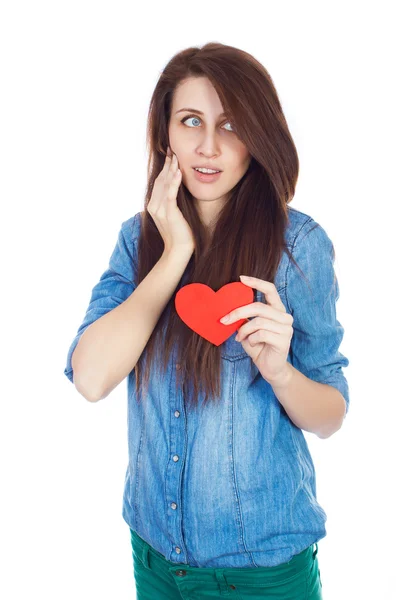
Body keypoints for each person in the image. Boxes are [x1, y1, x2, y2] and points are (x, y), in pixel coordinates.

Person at [64, 42, 350, 599]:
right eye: (190, 121)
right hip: (155, 560)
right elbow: (91, 379)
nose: (209, 146)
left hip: (263, 573)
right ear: (165, 133)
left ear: (259, 138)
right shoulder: (137, 240)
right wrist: (174, 253)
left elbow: (331, 415)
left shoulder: (299, 247)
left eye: (233, 125)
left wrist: (281, 373)